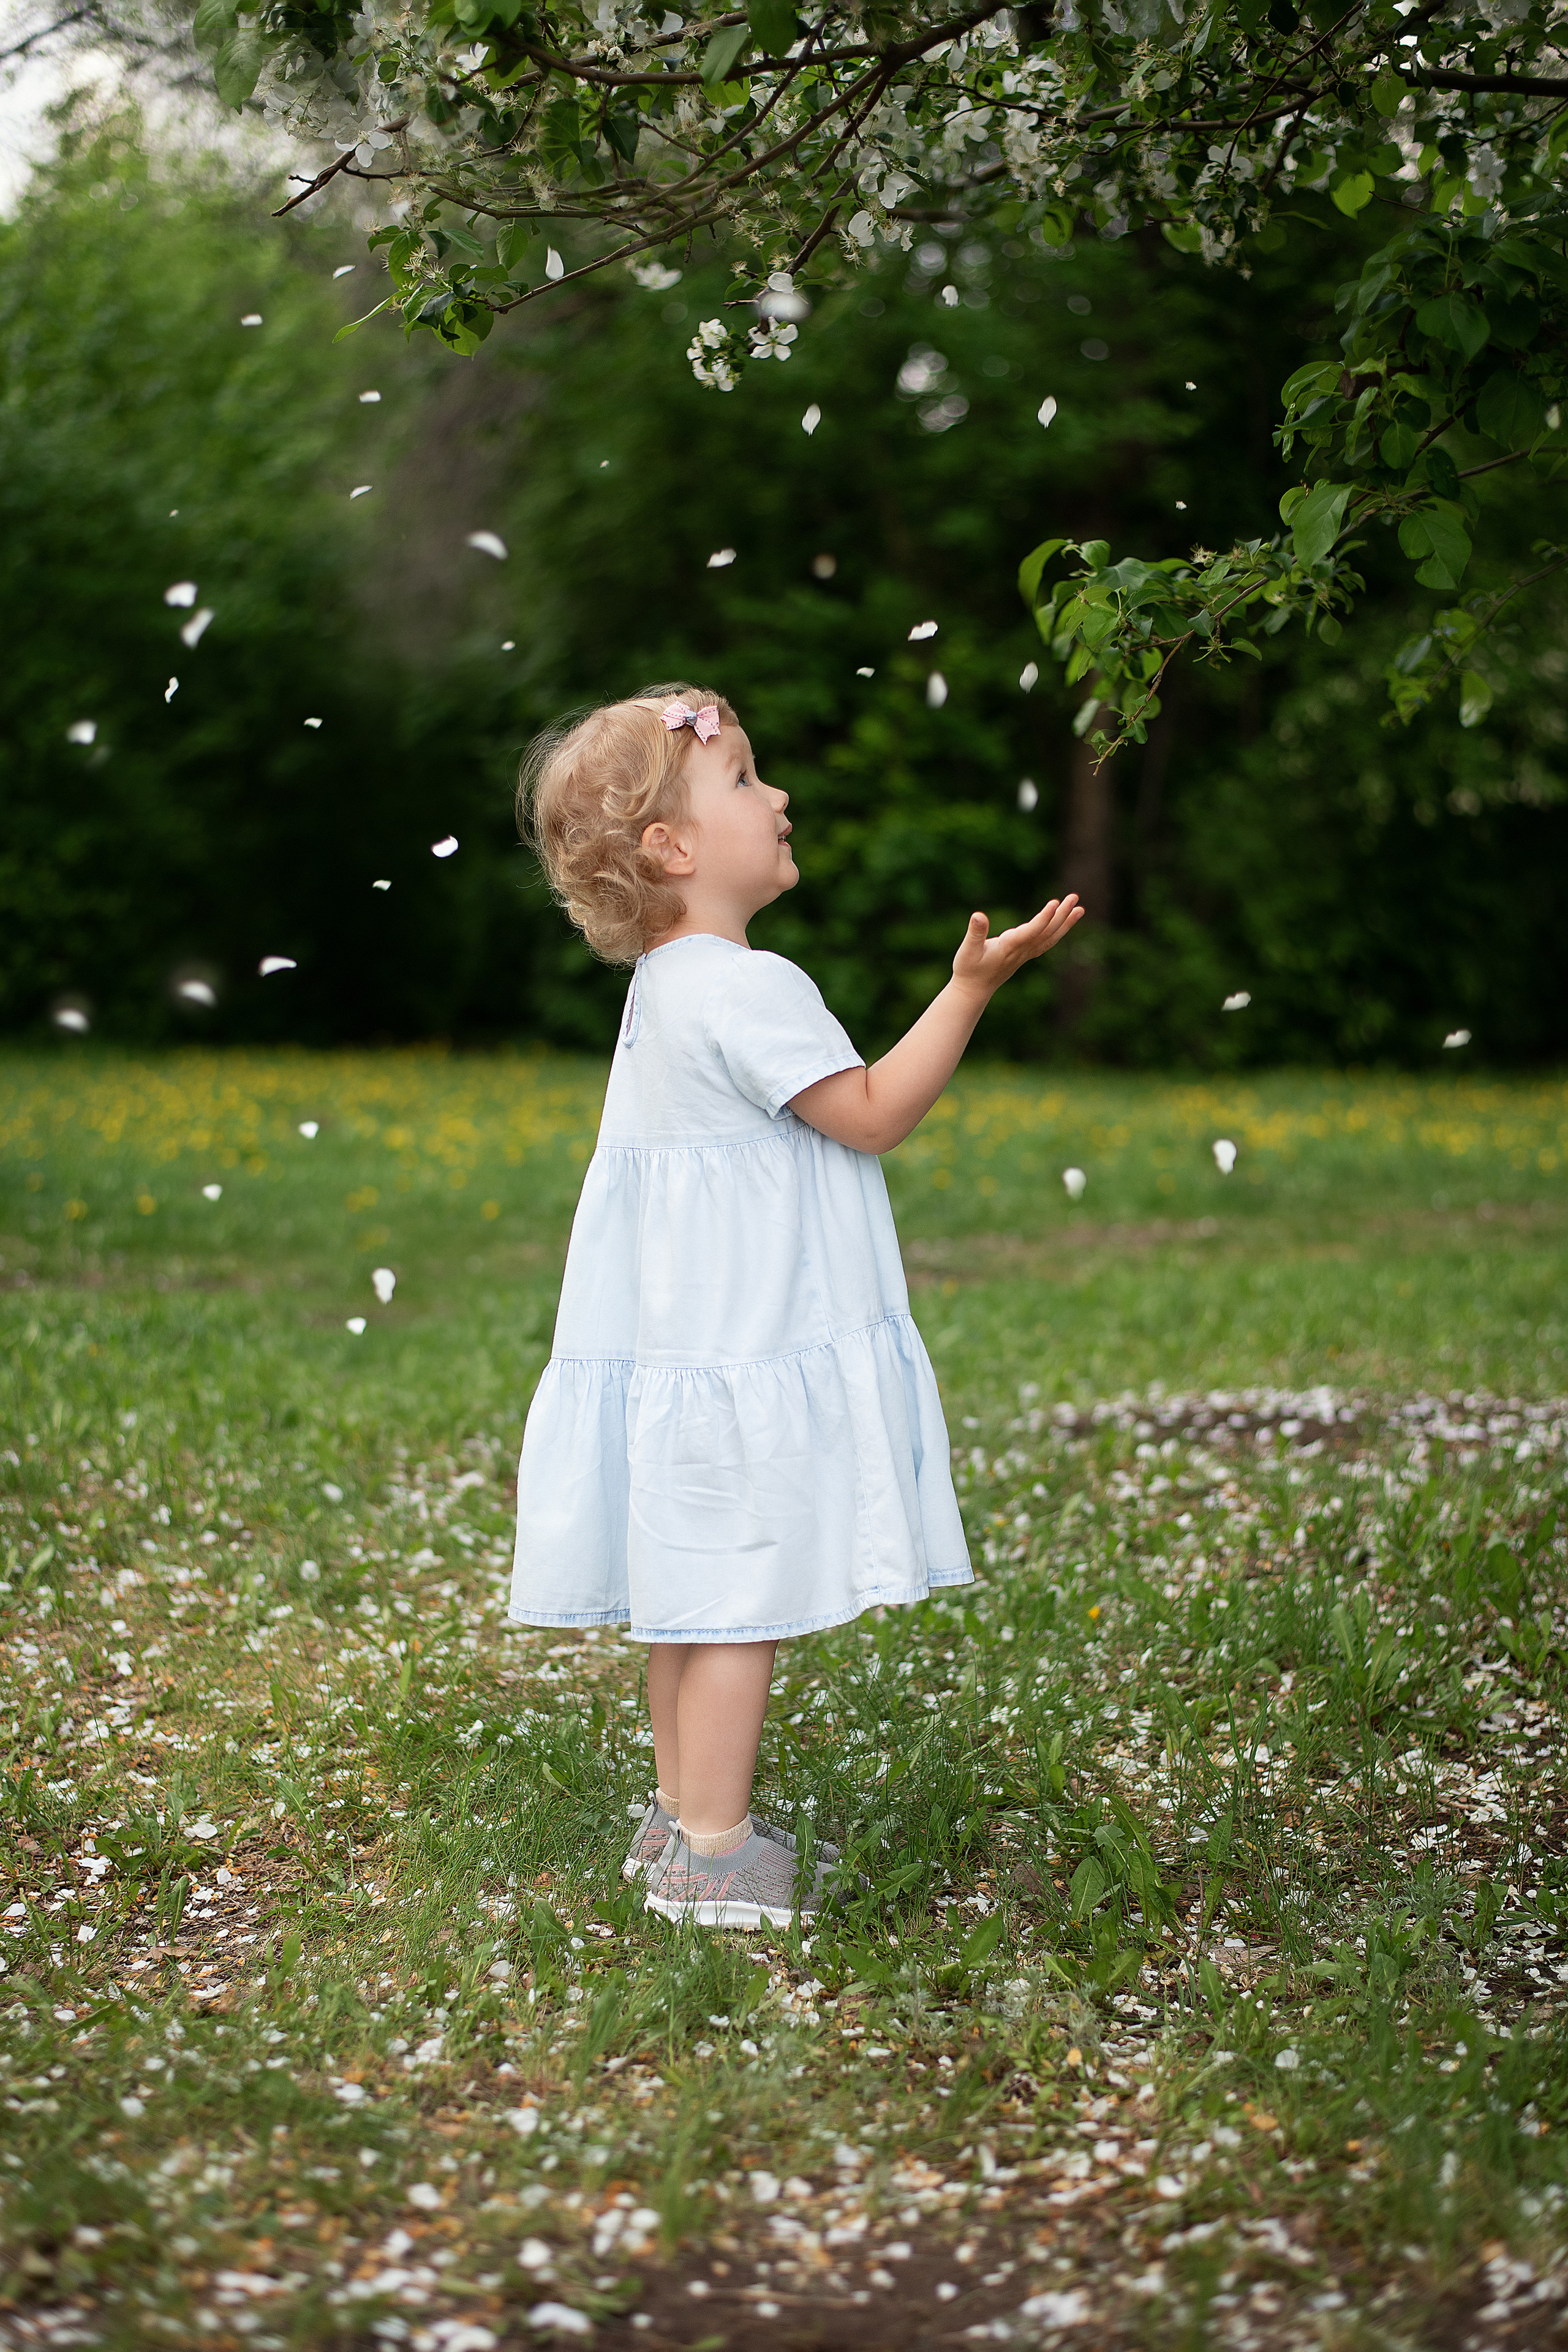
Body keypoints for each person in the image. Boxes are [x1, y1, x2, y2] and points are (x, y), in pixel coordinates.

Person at [509, 683, 1084, 1930]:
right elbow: (871, 1113)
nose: (777, 798)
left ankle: (674, 1824)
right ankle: (712, 1860)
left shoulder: (667, 989)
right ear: (673, 849)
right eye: (743, 781)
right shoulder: (744, 986)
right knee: (735, 1608)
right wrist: (971, 989)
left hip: (686, 1343)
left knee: (689, 1597)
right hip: (739, 1346)